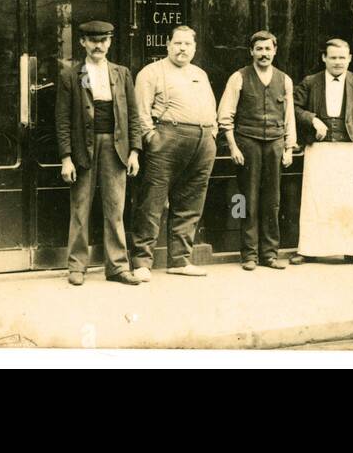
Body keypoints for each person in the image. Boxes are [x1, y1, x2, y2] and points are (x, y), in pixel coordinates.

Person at [290, 38, 353, 266]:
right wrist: (312, 119)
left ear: (349, 59)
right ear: (324, 58)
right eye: (333, 57)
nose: (337, 62)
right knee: (315, 200)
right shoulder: (311, 82)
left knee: (350, 202)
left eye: (342, 58)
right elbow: (292, 107)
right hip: (318, 149)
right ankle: (308, 249)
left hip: (348, 149)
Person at [56, 20, 144, 286]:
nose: (99, 46)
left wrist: (135, 151)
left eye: (104, 40)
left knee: (115, 208)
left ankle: (117, 267)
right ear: (83, 42)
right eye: (93, 41)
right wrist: (66, 158)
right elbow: (62, 120)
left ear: (110, 43)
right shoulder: (70, 75)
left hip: (116, 147)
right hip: (84, 148)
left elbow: (133, 115)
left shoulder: (121, 73)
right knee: (81, 207)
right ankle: (77, 267)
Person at [129, 25, 218, 281]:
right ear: (167, 44)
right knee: (152, 201)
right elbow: (140, 112)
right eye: (177, 43)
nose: (182, 49)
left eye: (188, 44)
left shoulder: (200, 73)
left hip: (202, 142)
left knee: (191, 202)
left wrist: (212, 134)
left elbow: (210, 105)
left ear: (194, 48)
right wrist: (151, 139)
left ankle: (179, 260)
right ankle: (142, 262)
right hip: (167, 139)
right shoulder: (151, 72)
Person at [217, 30, 299, 270]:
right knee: (247, 199)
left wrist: (289, 148)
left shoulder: (284, 80)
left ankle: (270, 254)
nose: (264, 54)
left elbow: (289, 117)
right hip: (247, 144)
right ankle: (249, 254)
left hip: (275, 144)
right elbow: (225, 115)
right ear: (251, 51)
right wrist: (233, 146)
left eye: (268, 49)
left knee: (272, 201)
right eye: (259, 49)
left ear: (275, 51)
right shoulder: (239, 77)